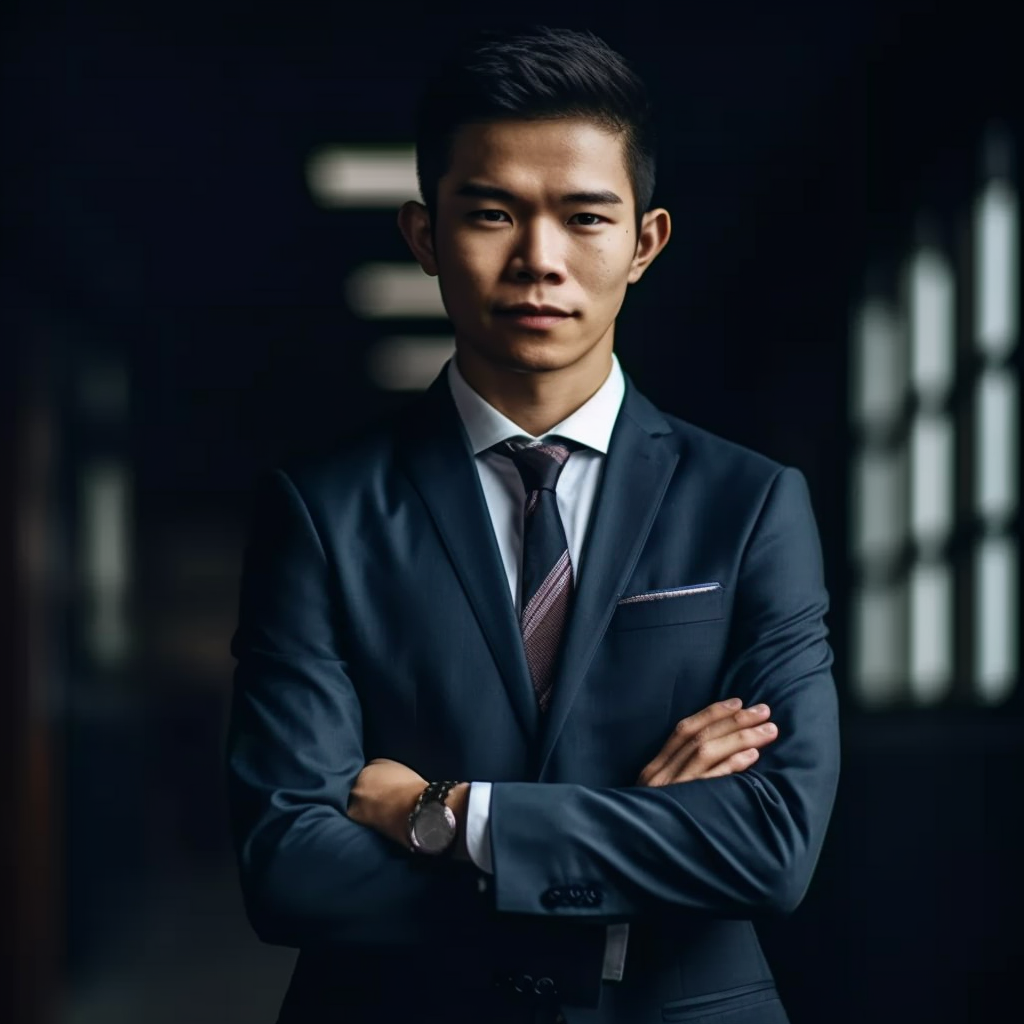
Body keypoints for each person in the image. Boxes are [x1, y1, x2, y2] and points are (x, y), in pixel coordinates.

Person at [226, 25, 840, 1024]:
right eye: (492, 214)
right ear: (425, 236)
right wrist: (635, 850)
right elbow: (287, 865)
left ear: (644, 242)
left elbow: (770, 848)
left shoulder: (750, 503)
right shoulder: (321, 509)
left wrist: (448, 815)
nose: (538, 260)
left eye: (584, 216)